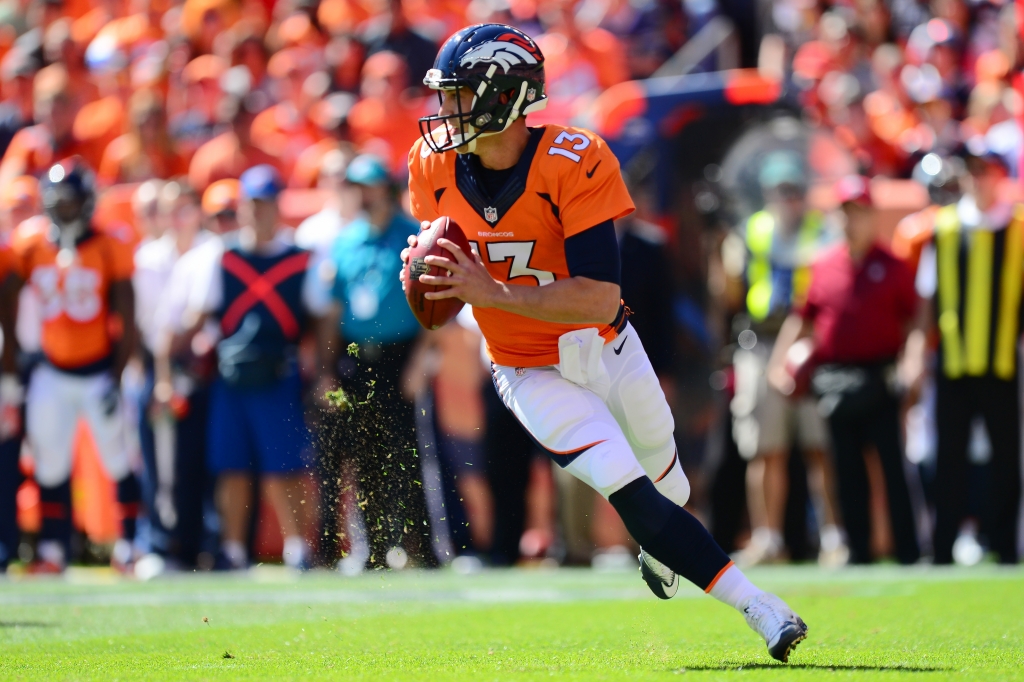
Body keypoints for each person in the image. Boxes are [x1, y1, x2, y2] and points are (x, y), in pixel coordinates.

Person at [402, 23, 807, 662]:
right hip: (528, 369)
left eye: (456, 95)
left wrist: (489, 290)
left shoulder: (575, 156)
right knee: (629, 487)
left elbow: (597, 297)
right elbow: (444, 259)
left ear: (501, 95)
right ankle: (760, 607)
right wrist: (429, 270)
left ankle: (661, 544)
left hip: (606, 345)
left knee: (669, 491)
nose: (443, 111)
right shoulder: (431, 165)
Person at [180, 165, 333, 570]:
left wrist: (322, 373)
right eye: (252, 204)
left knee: (285, 466)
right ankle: (232, 550)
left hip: (279, 373)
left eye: (265, 203)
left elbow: (322, 317)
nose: (258, 212)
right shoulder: (221, 256)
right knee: (229, 465)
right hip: (232, 376)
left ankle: (298, 548)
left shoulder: (302, 259)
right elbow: (198, 315)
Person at [767, 176, 921, 565]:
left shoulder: (892, 265)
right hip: (834, 377)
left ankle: (908, 550)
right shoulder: (822, 265)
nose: (853, 222)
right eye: (846, 214)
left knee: (891, 467)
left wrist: (913, 361)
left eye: (860, 213)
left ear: (872, 216)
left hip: (880, 375)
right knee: (845, 469)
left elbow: (915, 318)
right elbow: (803, 318)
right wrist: (779, 361)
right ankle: (859, 550)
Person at [0, 157, 142, 573]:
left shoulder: (108, 242)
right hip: (50, 370)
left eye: (71, 201)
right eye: (57, 201)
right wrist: (12, 356)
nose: (64, 209)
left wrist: (117, 375)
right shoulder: (31, 243)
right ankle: (52, 551)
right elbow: (7, 296)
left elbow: (127, 313)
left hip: (98, 370)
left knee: (117, 458)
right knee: (50, 462)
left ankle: (130, 545)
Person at [730, 150, 844, 567]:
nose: (788, 199)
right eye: (781, 192)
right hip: (761, 339)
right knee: (764, 447)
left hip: (810, 340)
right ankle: (768, 538)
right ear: (768, 194)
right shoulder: (753, 229)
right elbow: (729, 284)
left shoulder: (823, 230)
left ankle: (833, 536)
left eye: (795, 191)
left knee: (820, 446)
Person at [910, 140, 1022, 565]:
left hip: (1002, 364)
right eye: (972, 171)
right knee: (949, 461)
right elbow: (926, 302)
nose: (979, 179)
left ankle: (1005, 546)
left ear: (1000, 176)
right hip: (954, 364)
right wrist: (916, 355)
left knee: (1006, 459)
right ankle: (942, 549)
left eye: (986, 170)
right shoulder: (943, 228)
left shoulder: (1017, 230)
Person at [322, 153, 433, 571]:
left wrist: (420, 360)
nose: (363, 195)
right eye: (358, 187)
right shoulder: (346, 240)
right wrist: (328, 369)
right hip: (356, 357)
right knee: (364, 457)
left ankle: (420, 547)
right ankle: (373, 548)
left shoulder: (414, 239)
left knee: (407, 454)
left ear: (386, 187)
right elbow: (334, 312)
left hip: (400, 355)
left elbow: (428, 304)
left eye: (369, 186)